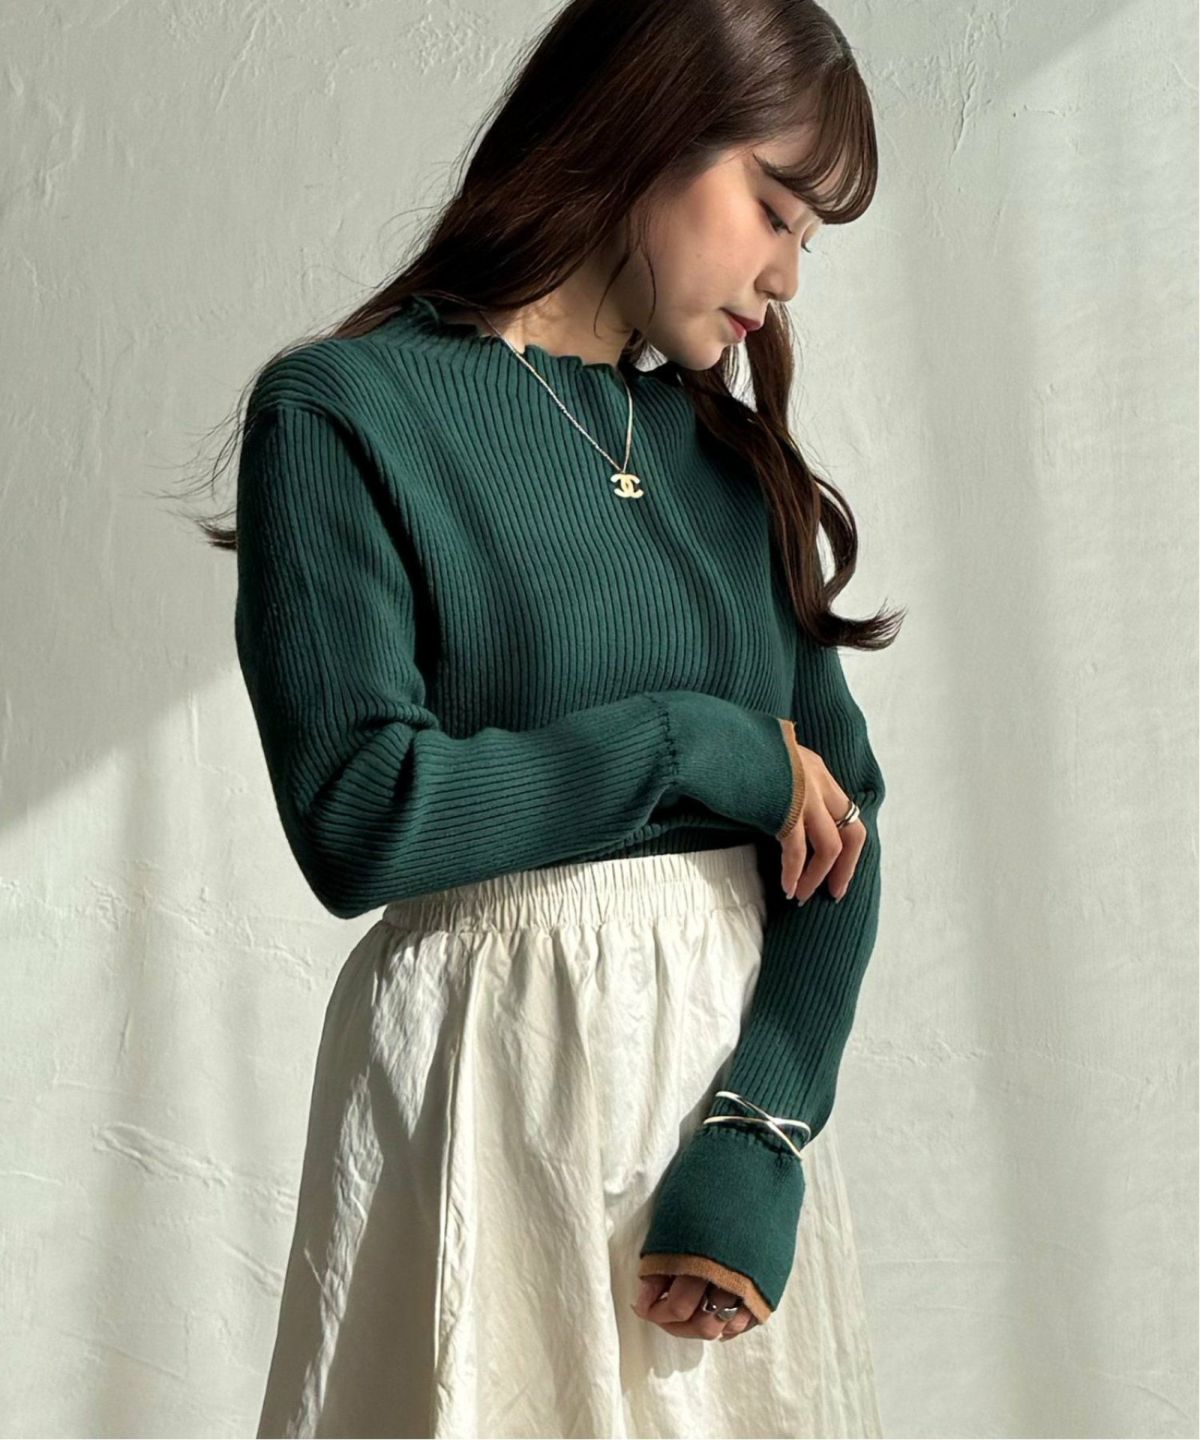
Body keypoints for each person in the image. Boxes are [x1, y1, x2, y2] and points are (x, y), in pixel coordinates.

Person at [227, 0, 903, 1433]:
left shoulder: (726, 466)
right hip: (487, 1105)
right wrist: (697, 747)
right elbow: (358, 816)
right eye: (774, 208)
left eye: (809, 238)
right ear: (652, 128)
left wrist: (767, 1127)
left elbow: (847, 820)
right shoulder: (346, 413)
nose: (786, 274)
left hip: (710, 1129)